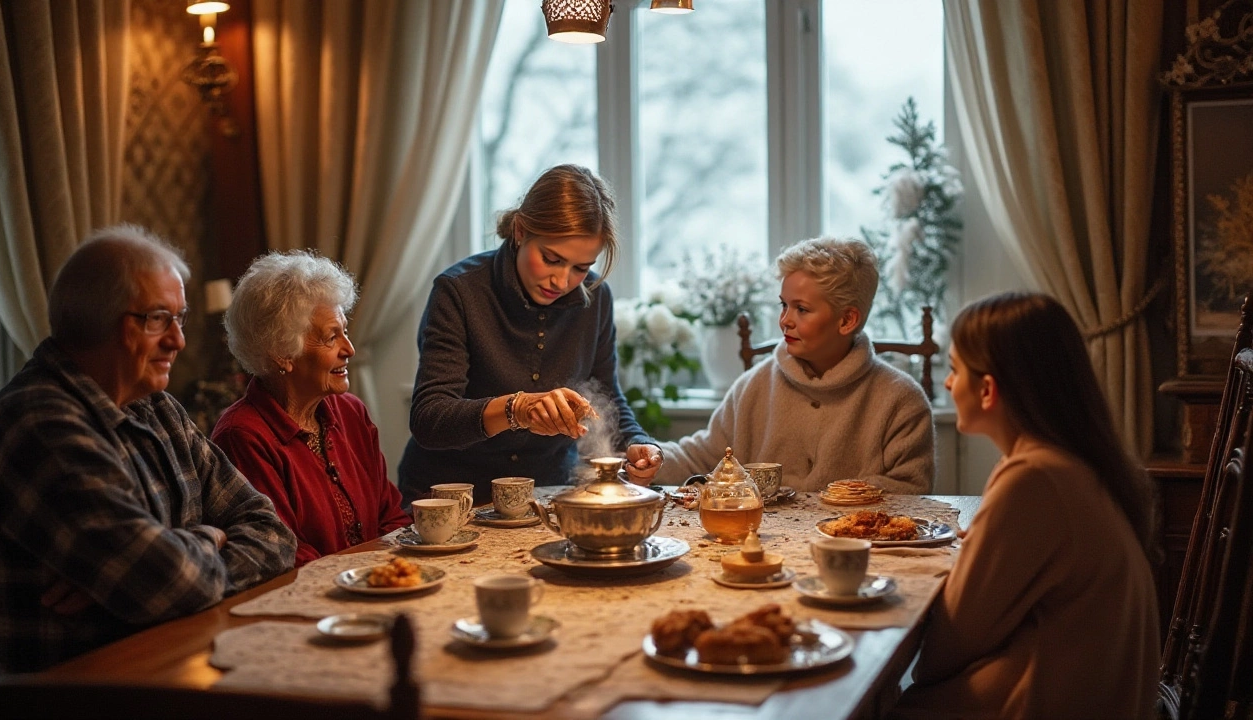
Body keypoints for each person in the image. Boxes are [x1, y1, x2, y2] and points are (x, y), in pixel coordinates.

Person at [0, 225, 295, 674]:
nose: (178, 341)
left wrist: (168, 561)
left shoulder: (158, 406)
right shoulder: (39, 424)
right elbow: (163, 583)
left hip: (181, 665)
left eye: (179, 318)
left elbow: (273, 533)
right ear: (97, 318)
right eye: (158, 318)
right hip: (81, 698)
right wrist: (209, 535)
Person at [893, 292, 1159, 719]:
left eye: (955, 370)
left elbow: (948, 645)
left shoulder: (1034, 478)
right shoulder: (1073, 460)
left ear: (987, 390)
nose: (946, 383)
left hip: (1042, 698)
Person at [397, 164, 661, 504]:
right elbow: (429, 420)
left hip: (547, 496)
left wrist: (639, 444)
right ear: (521, 230)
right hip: (454, 499)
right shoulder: (459, 291)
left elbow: (605, 396)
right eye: (551, 259)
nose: (562, 282)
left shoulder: (596, 298)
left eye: (580, 268)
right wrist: (516, 410)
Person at [655, 237, 934, 493]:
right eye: (783, 305)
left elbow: (911, 491)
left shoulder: (901, 400)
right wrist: (650, 457)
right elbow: (703, 457)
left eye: (801, 309)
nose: (785, 320)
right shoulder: (753, 386)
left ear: (847, 320)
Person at [212, 251, 411, 567]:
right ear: (282, 353)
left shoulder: (350, 412)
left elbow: (390, 515)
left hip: (376, 588)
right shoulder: (243, 435)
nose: (349, 349)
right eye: (332, 337)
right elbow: (283, 551)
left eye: (345, 331)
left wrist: (392, 573)